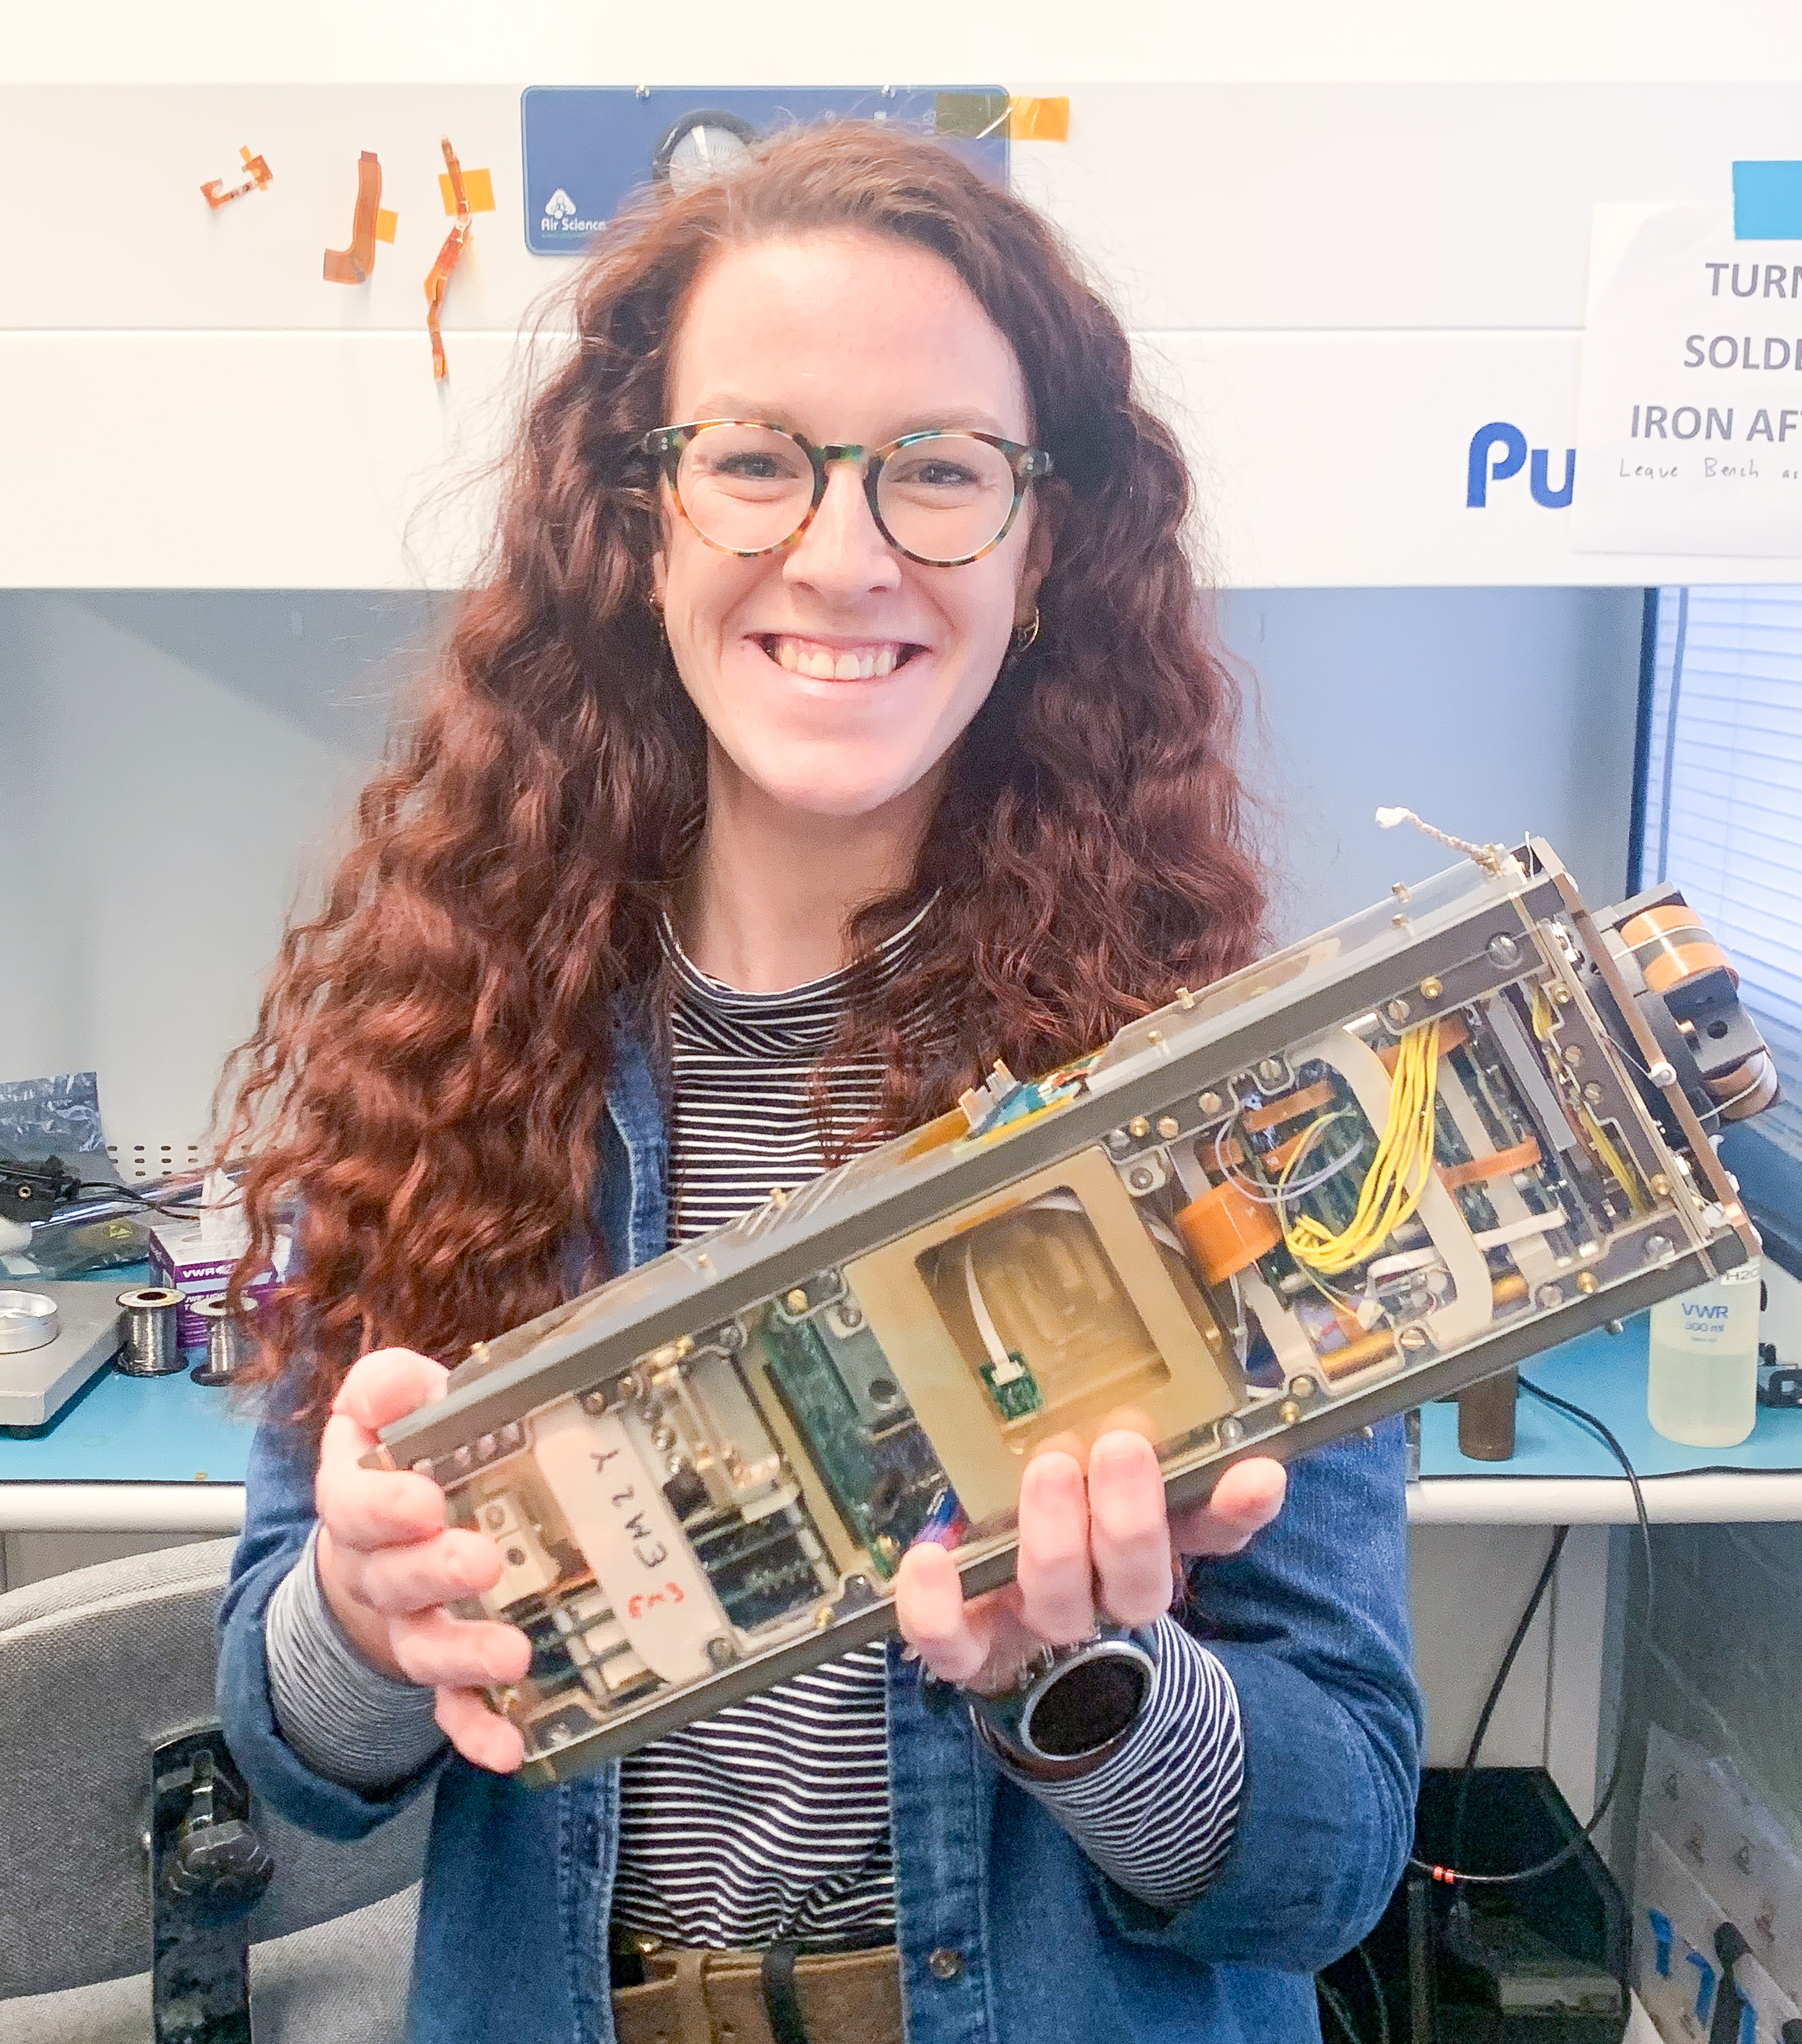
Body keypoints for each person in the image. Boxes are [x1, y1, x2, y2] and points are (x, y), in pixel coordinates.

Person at [215, 122, 1420, 2044]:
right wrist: (361, 1625)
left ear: (1042, 549)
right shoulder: (445, 1048)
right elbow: (292, 1758)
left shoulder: (1217, 1106)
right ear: (645, 525)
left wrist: (1087, 1686)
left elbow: (1338, 1853)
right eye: (758, 462)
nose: (842, 556)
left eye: (937, 471)